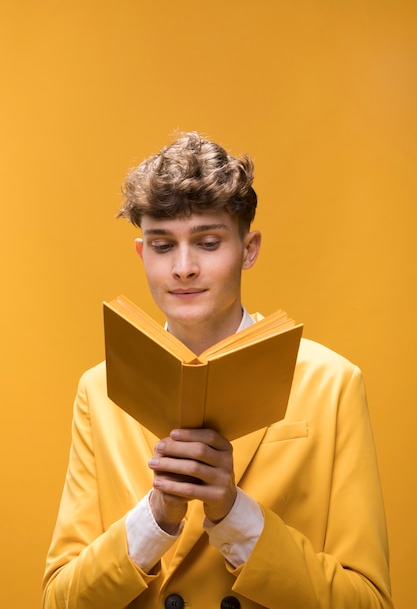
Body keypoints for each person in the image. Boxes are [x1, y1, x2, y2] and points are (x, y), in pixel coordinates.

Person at [43, 132, 393, 609]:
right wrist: (156, 517)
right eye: (163, 246)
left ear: (249, 249)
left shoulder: (332, 383)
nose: (184, 268)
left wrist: (233, 513)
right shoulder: (99, 389)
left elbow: (369, 603)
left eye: (208, 243)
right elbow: (59, 601)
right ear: (142, 254)